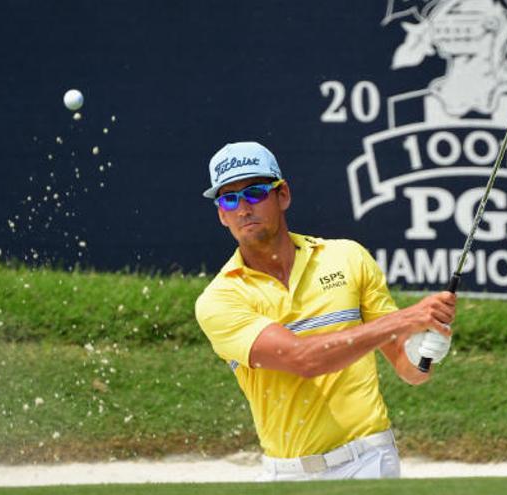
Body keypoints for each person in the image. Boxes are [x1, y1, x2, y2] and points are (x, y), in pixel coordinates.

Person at [194, 141, 455, 481]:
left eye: (255, 193)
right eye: (229, 199)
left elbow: (409, 370)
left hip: (370, 461)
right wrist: (406, 318)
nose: (243, 208)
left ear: (282, 194)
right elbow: (303, 360)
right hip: (288, 474)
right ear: (221, 214)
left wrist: (426, 353)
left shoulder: (348, 257)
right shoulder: (220, 299)